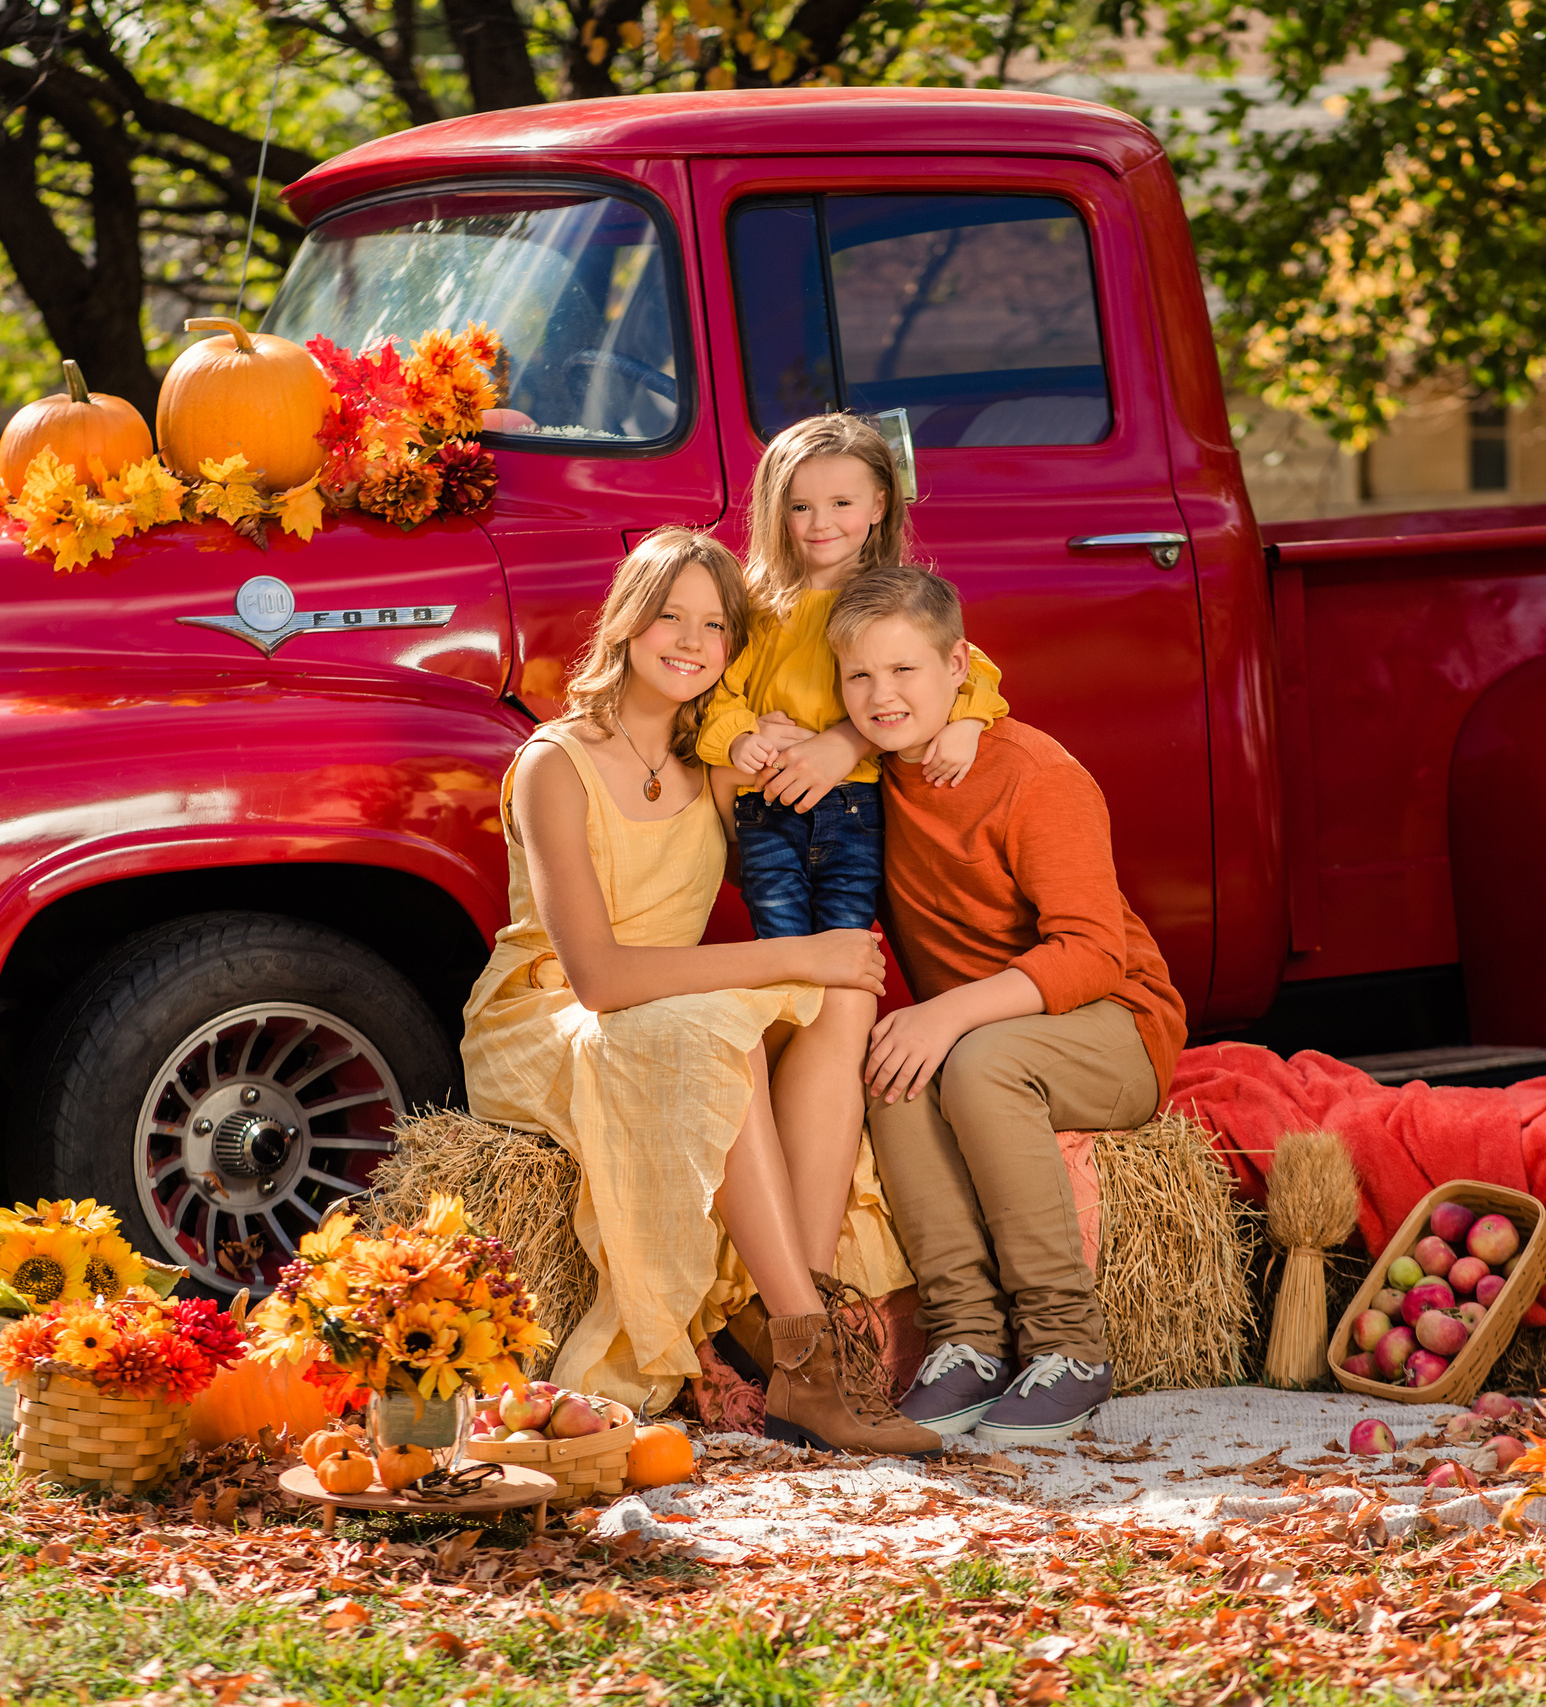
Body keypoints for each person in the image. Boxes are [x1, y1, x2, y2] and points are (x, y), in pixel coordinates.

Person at [460, 527, 937, 1455]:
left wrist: (846, 740)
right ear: (628, 624)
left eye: (714, 625)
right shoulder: (556, 763)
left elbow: (877, 744)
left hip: (675, 1009)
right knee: (742, 1009)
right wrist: (789, 962)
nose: (689, 639)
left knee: (842, 995)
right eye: (669, 615)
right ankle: (810, 1357)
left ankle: (781, 1304)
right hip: (550, 1012)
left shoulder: (718, 767)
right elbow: (597, 977)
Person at [831, 563, 1187, 1443]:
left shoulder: (1034, 773)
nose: (882, 695)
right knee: (893, 1063)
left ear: (960, 666)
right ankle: (970, 1341)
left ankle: (1071, 1343)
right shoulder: (874, 781)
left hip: (1114, 1027)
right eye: (860, 676)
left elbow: (1094, 952)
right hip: (995, 1029)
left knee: (974, 1060)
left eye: (905, 670)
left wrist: (948, 1012)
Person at [694, 413, 1010, 1234]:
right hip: (771, 813)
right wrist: (751, 737)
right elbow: (715, 703)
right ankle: (781, 1216)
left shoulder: (891, 600)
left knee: (840, 976)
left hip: (853, 813)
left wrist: (874, 735)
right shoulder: (762, 609)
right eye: (801, 507)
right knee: (785, 975)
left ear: (878, 504)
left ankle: (813, 1235)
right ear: (776, 512)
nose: (821, 524)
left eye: (841, 502)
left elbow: (966, 672)